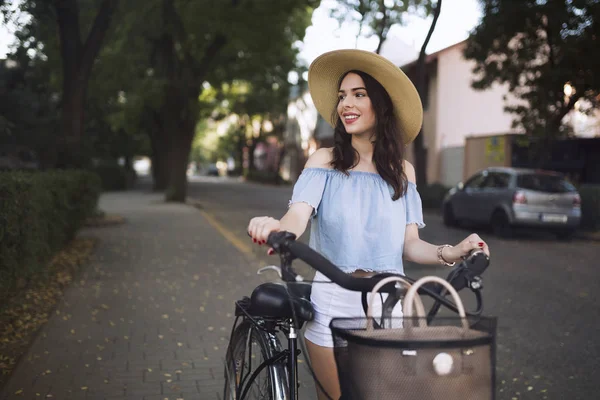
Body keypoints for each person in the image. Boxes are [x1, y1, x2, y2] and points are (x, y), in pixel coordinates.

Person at [247, 49, 491, 400]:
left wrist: (452, 251)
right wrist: (274, 226)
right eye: (343, 96)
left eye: (359, 94)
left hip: (388, 299)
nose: (346, 103)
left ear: (382, 104)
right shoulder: (325, 161)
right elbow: (297, 217)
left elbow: (410, 244)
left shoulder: (402, 172)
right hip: (333, 298)